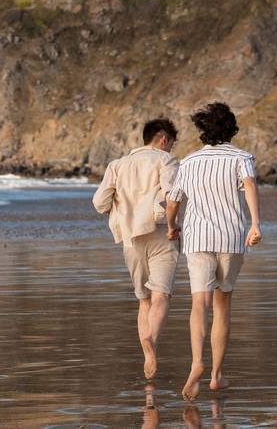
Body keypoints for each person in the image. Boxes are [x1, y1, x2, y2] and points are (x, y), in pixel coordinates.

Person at [166, 102, 262, 401]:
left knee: (200, 304)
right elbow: (248, 186)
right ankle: (216, 376)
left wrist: (171, 226)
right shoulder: (242, 157)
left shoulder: (189, 162)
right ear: (231, 129)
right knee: (223, 306)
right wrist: (256, 224)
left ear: (203, 131)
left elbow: (173, 200)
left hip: (197, 238)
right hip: (231, 237)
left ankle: (197, 363)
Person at [92, 118, 180, 379]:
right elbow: (171, 195)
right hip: (162, 232)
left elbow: (99, 202)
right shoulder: (166, 161)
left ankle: (147, 351)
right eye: (172, 144)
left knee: (143, 299)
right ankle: (151, 341)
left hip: (130, 237)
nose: (171, 149)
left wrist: (118, 209)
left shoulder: (117, 165)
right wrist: (173, 222)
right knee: (161, 296)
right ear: (163, 139)